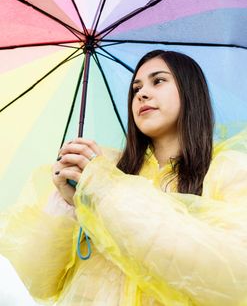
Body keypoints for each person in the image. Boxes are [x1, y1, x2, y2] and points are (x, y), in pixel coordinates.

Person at [1, 50, 247, 306]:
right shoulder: (103, 168)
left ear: (190, 91)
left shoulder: (228, 171)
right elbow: (38, 281)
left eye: (158, 81)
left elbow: (234, 276)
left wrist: (104, 191)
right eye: (136, 88)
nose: (141, 93)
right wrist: (68, 207)